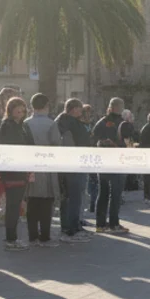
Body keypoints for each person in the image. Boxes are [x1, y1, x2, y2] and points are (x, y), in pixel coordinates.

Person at [0, 96, 34, 251]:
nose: (20, 111)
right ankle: (10, 239)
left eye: (22, 108)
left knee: (16, 205)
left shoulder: (23, 126)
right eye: (17, 108)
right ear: (10, 110)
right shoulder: (7, 125)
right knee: (13, 206)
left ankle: (12, 237)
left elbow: (30, 145)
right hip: (12, 172)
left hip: (22, 170)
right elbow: (9, 147)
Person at [24, 93, 61, 247]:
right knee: (46, 202)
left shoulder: (26, 123)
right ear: (46, 106)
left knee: (32, 202)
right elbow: (56, 144)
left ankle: (32, 236)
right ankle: (45, 235)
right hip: (46, 166)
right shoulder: (51, 123)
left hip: (30, 165)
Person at [92, 97, 133, 233]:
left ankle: (100, 224)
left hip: (103, 162)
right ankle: (114, 224)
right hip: (117, 162)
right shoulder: (122, 123)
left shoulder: (101, 122)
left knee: (102, 193)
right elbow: (129, 140)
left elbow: (93, 137)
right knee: (115, 194)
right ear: (119, 108)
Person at [56, 99, 92, 242]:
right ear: (74, 109)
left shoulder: (64, 121)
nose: (82, 111)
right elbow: (68, 142)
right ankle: (71, 229)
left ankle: (72, 226)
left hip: (73, 163)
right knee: (74, 197)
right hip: (74, 164)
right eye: (80, 109)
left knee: (69, 197)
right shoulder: (67, 122)